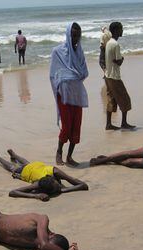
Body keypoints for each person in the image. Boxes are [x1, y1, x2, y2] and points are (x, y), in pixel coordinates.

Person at [50, 22, 89, 167]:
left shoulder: (80, 52)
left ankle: (70, 156)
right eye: (73, 35)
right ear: (68, 34)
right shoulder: (58, 52)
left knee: (76, 126)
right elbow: (53, 75)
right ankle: (59, 152)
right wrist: (65, 78)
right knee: (66, 126)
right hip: (64, 94)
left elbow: (84, 71)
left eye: (78, 35)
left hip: (76, 94)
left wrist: (73, 76)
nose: (76, 38)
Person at [0, 149, 88, 201]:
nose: (59, 187)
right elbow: (12, 192)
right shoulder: (37, 184)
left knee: (27, 163)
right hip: (26, 171)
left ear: (52, 177)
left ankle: (13, 154)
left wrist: (63, 190)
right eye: (57, 187)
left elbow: (83, 185)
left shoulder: (55, 171)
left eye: (57, 185)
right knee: (13, 168)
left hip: (36, 166)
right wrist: (36, 196)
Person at [104, 22, 135, 130]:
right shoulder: (116, 44)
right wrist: (122, 59)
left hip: (107, 76)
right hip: (114, 77)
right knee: (125, 99)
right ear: (116, 30)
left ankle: (108, 124)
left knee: (111, 100)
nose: (122, 31)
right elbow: (118, 61)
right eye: (121, 29)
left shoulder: (109, 42)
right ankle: (124, 123)